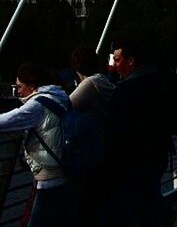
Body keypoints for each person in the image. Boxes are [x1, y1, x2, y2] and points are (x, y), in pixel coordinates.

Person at [106, 38, 174, 227]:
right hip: (159, 150)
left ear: (131, 60)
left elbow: (116, 128)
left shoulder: (127, 89)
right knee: (150, 194)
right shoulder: (159, 80)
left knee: (137, 204)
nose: (115, 65)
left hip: (135, 157)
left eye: (118, 60)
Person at [0, 62, 76, 227]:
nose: (18, 91)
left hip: (49, 178)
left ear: (31, 85)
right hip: (64, 172)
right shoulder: (59, 97)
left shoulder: (37, 105)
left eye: (19, 86)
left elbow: (8, 121)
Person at [69, 46, 113, 227]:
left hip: (94, 152)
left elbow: (66, 106)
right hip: (107, 147)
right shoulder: (103, 80)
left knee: (88, 203)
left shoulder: (90, 84)